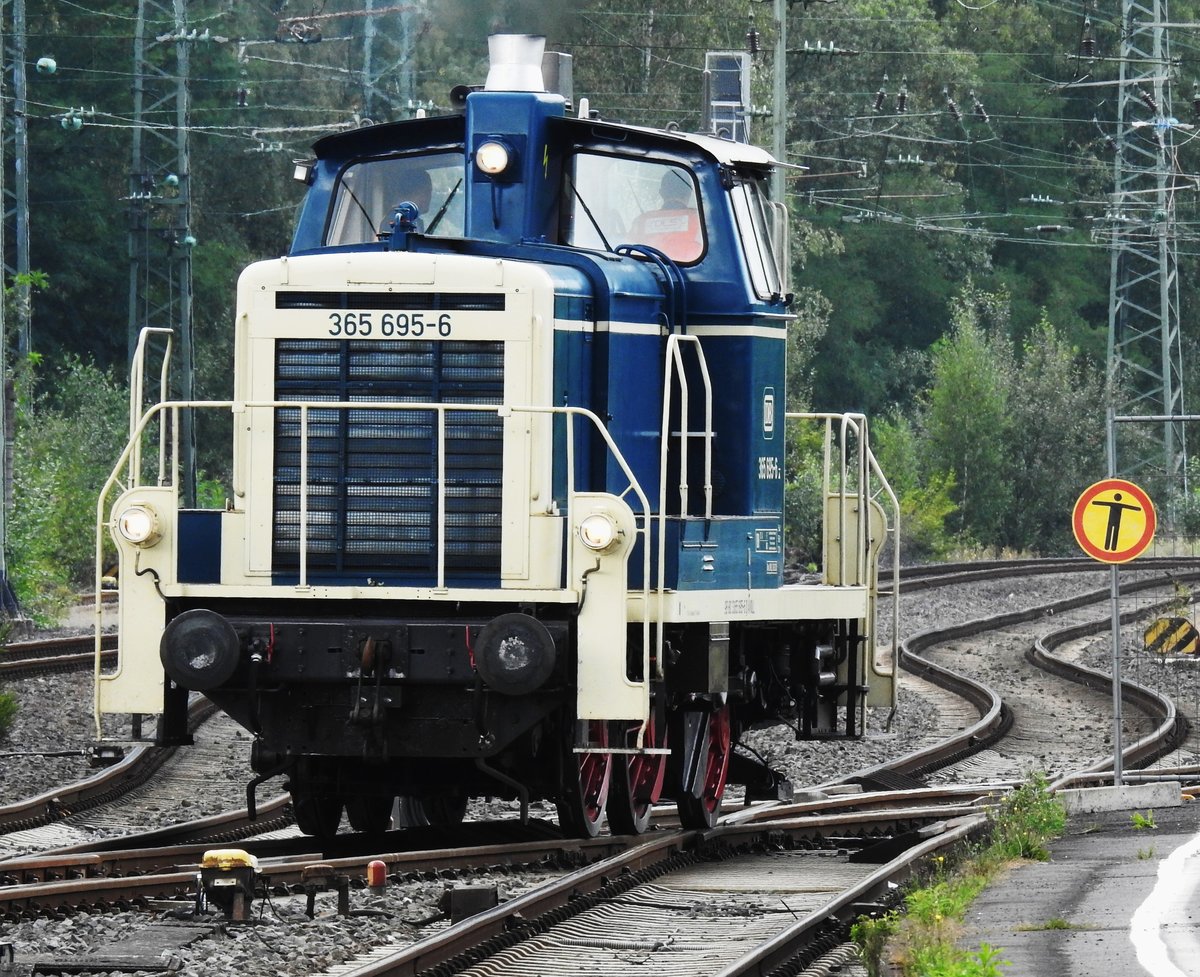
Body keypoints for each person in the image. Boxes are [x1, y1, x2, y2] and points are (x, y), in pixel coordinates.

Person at [630, 168, 703, 262]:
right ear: (689, 193)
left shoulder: (641, 221)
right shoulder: (700, 220)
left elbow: (628, 253)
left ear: (661, 193)